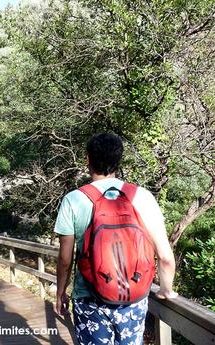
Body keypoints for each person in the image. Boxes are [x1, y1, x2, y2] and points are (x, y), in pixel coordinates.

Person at [55, 132, 177, 345]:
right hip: (133, 299)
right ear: (119, 160)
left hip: (88, 299)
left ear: (88, 159)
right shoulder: (143, 197)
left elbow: (65, 259)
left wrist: (60, 293)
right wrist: (165, 289)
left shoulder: (73, 200)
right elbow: (165, 257)